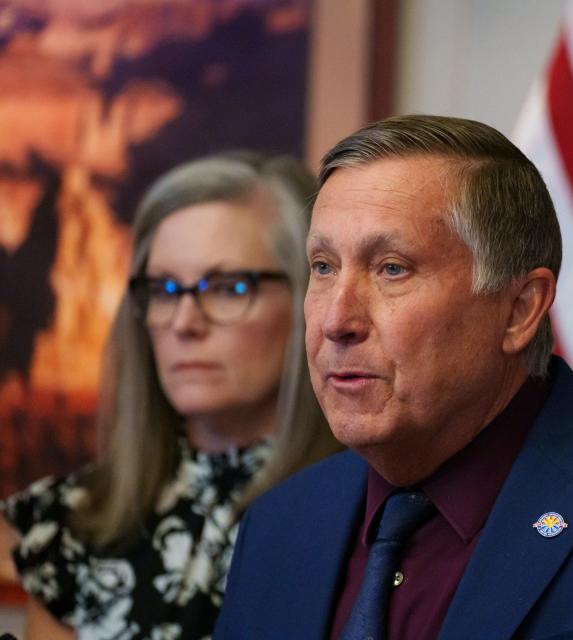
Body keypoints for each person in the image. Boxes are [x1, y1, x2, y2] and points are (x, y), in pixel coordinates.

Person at [215, 116, 573, 639]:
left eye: (392, 268)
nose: (337, 319)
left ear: (521, 308)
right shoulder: (280, 523)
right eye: (323, 267)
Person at [0, 151, 341, 640]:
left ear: (309, 299)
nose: (183, 322)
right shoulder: (75, 521)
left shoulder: (368, 515)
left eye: (228, 287)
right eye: (163, 290)